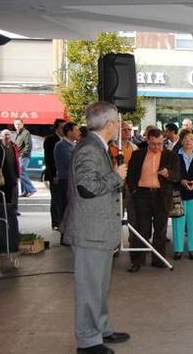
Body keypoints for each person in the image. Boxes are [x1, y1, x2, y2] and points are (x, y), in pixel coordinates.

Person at [60, 102, 131, 354]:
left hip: (98, 231)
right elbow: (86, 187)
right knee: (90, 288)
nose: (118, 126)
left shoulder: (96, 146)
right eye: (117, 122)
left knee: (100, 286)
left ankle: (101, 328)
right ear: (110, 123)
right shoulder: (90, 148)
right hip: (90, 231)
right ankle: (88, 341)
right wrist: (116, 176)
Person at [125, 127, 181, 272]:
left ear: (163, 141)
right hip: (142, 195)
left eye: (159, 144)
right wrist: (135, 191)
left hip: (161, 196)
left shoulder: (171, 156)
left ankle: (158, 259)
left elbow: (177, 176)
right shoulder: (137, 154)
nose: (156, 147)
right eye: (153, 144)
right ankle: (137, 261)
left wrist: (168, 173)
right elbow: (130, 176)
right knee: (141, 230)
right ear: (147, 141)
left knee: (160, 230)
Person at [170, 129, 193, 260]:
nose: (188, 141)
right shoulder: (174, 156)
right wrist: (181, 181)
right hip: (178, 193)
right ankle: (178, 249)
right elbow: (171, 175)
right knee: (178, 221)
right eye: (185, 139)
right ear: (181, 141)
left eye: (191, 139)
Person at [53, 122, 81, 230]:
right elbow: (71, 163)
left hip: (72, 180)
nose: (78, 132)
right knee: (66, 208)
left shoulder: (73, 145)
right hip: (66, 181)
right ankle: (65, 234)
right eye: (76, 130)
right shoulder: (61, 146)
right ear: (69, 132)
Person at [44, 118, 66, 229]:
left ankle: (61, 220)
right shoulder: (50, 140)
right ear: (57, 128)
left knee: (62, 199)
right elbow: (49, 159)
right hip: (55, 174)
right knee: (56, 198)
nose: (64, 129)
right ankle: (56, 222)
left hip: (64, 175)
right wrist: (53, 175)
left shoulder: (65, 140)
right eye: (62, 127)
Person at [14, 118, 36, 197]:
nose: (17, 125)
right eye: (16, 124)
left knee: (21, 171)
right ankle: (25, 191)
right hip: (19, 156)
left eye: (19, 124)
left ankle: (31, 189)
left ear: (22, 124)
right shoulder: (18, 133)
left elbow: (28, 145)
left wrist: (22, 154)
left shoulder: (26, 132)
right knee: (21, 172)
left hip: (24, 156)